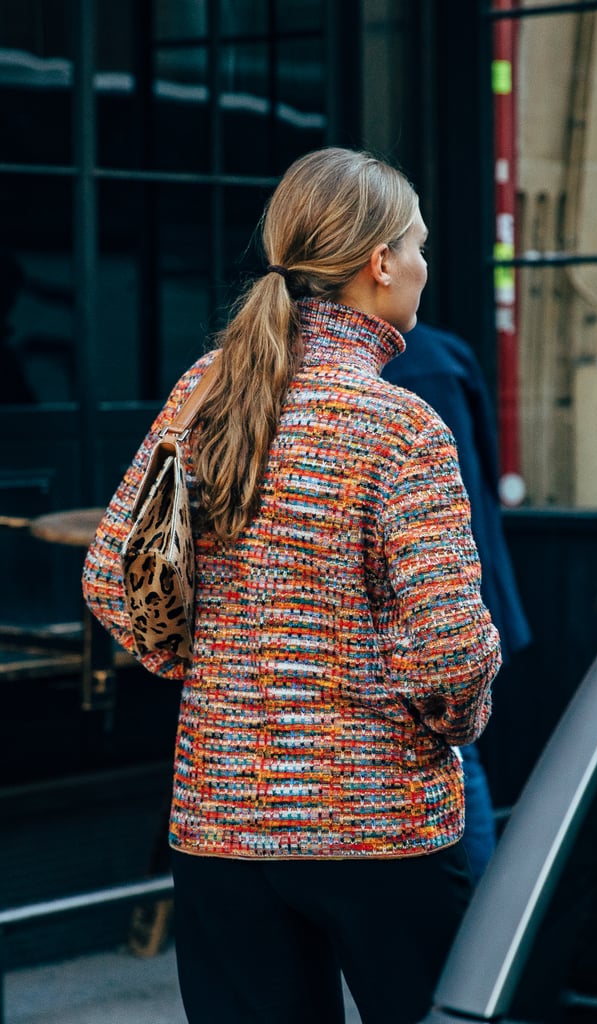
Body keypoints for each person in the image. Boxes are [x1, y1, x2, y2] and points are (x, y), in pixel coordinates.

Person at [82, 147, 501, 1024]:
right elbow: (453, 655)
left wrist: (209, 678)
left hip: (220, 819)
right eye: (417, 245)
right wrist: (445, 734)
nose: (425, 267)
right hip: (379, 827)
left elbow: (112, 579)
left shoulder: (203, 391)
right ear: (379, 263)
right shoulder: (399, 426)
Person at [383, 322, 532, 881]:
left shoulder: (421, 365)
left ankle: (482, 925)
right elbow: (488, 473)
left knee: (457, 758)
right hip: (462, 582)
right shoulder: (445, 354)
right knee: (457, 757)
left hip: (429, 596)